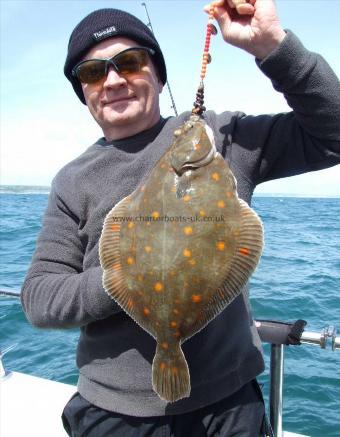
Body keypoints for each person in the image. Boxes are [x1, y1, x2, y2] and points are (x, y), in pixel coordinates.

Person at [21, 1, 340, 436]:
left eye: (129, 62)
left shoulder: (220, 137)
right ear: (84, 90)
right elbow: (39, 298)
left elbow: (333, 134)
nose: (113, 80)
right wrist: (130, 276)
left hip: (230, 406)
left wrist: (274, 48)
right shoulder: (72, 181)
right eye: (93, 72)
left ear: (156, 71)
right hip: (112, 415)